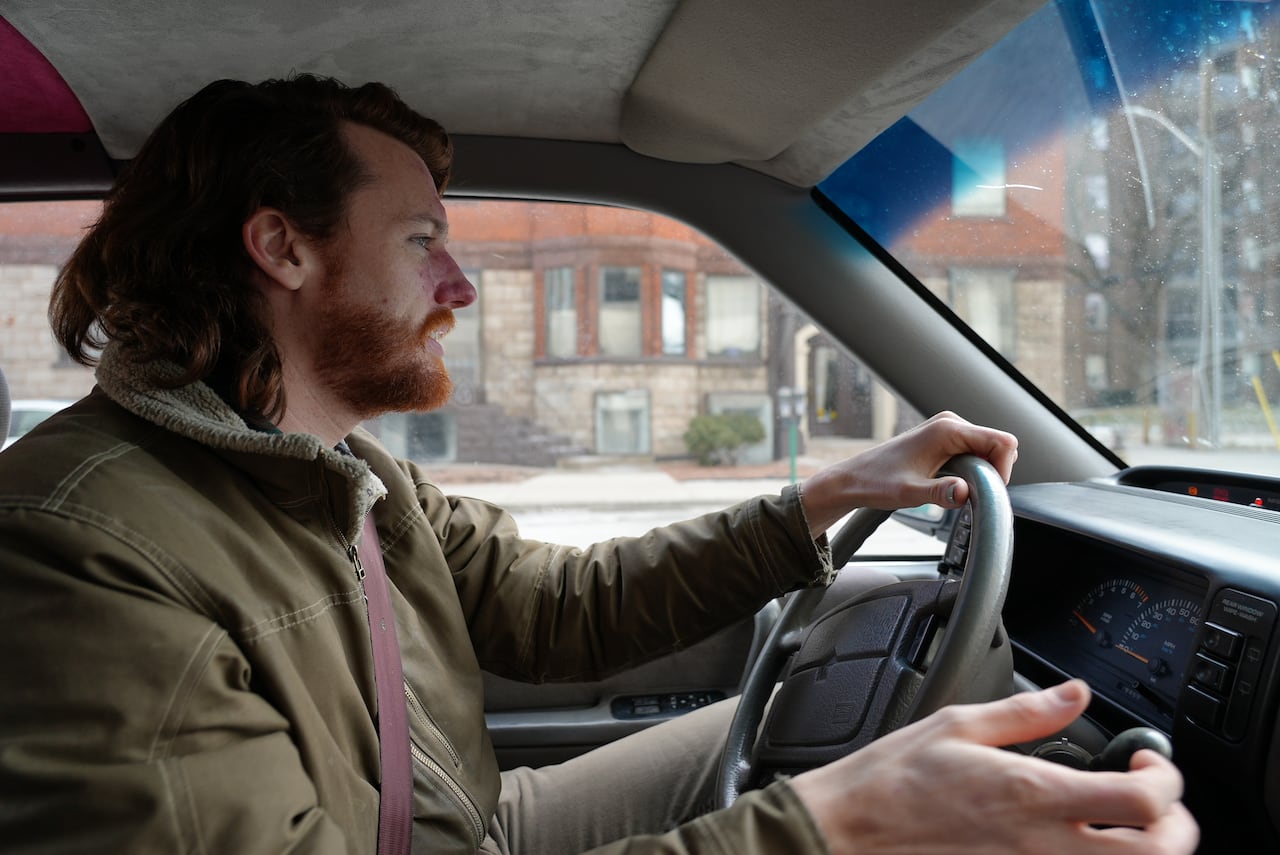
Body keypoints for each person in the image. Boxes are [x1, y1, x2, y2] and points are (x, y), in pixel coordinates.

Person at [0, 75, 1197, 855]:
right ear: (282, 250)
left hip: (458, 827)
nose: (458, 286)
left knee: (829, 724)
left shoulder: (332, 473)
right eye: (422, 242)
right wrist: (825, 830)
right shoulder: (79, 550)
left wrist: (831, 494)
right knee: (874, 784)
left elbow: (561, 610)